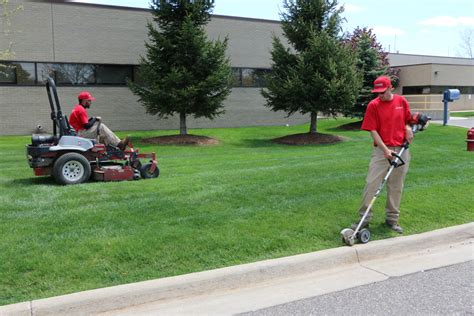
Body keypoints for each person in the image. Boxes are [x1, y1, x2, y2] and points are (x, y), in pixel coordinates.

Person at [353, 76, 413, 234]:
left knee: (396, 186)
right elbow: (373, 130)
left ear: (391, 88)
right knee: (371, 184)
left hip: (401, 150)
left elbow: (408, 120)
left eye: (383, 91)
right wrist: (385, 150)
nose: (380, 95)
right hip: (381, 151)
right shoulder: (373, 105)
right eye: (377, 92)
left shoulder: (401, 102)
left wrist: (408, 128)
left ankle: (392, 220)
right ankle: (363, 219)